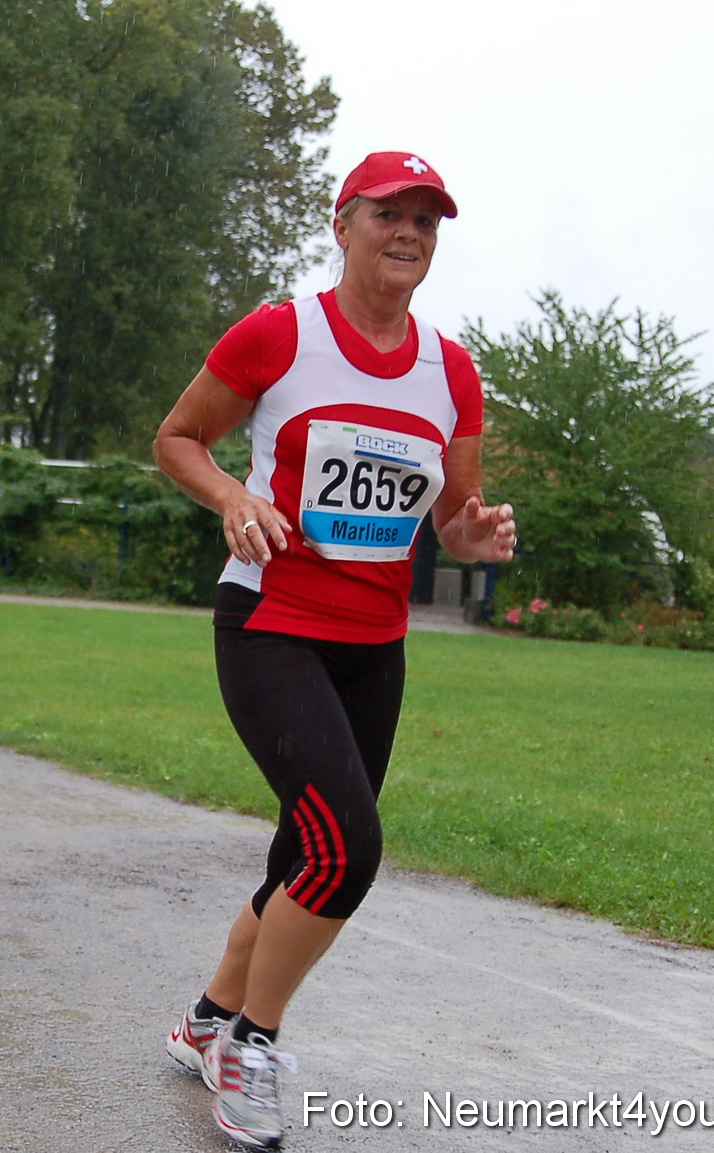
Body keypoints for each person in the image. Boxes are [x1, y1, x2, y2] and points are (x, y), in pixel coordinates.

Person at [152, 153, 517, 1150]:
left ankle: (206, 1018)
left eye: (427, 221)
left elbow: (450, 510)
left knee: (299, 852)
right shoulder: (283, 332)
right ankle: (252, 1049)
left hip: (373, 646)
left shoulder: (451, 368)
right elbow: (178, 437)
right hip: (269, 627)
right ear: (343, 224)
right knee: (345, 850)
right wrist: (233, 496)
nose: (409, 233)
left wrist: (470, 537)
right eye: (390, 215)